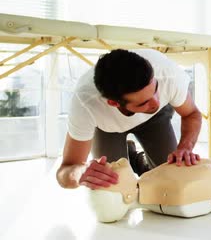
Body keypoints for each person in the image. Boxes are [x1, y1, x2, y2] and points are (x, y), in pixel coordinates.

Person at [56, 49, 203, 190]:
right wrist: (80, 173)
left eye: (155, 90)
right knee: (112, 184)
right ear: (114, 103)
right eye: (143, 102)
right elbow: (65, 171)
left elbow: (191, 114)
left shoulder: (168, 75)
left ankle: (136, 159)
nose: (156, 103)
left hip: (156, 118)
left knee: (171, 177)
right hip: (107, 127)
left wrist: (185, 147)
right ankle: (125, 152)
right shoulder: (85, 104)